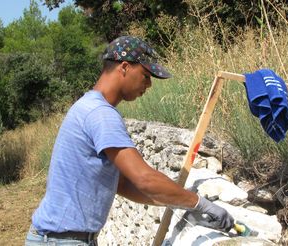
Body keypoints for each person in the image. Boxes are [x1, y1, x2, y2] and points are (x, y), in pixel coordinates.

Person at [25, 36, 234, 246]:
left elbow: (123, 183)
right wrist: (199, 204)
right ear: (124, 67)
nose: (149, 84)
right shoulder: (101, 114)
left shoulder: (88, 106)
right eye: (145, 75)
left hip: (60, 239)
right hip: (62, 241)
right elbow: (144, 178)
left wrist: (180, 204)